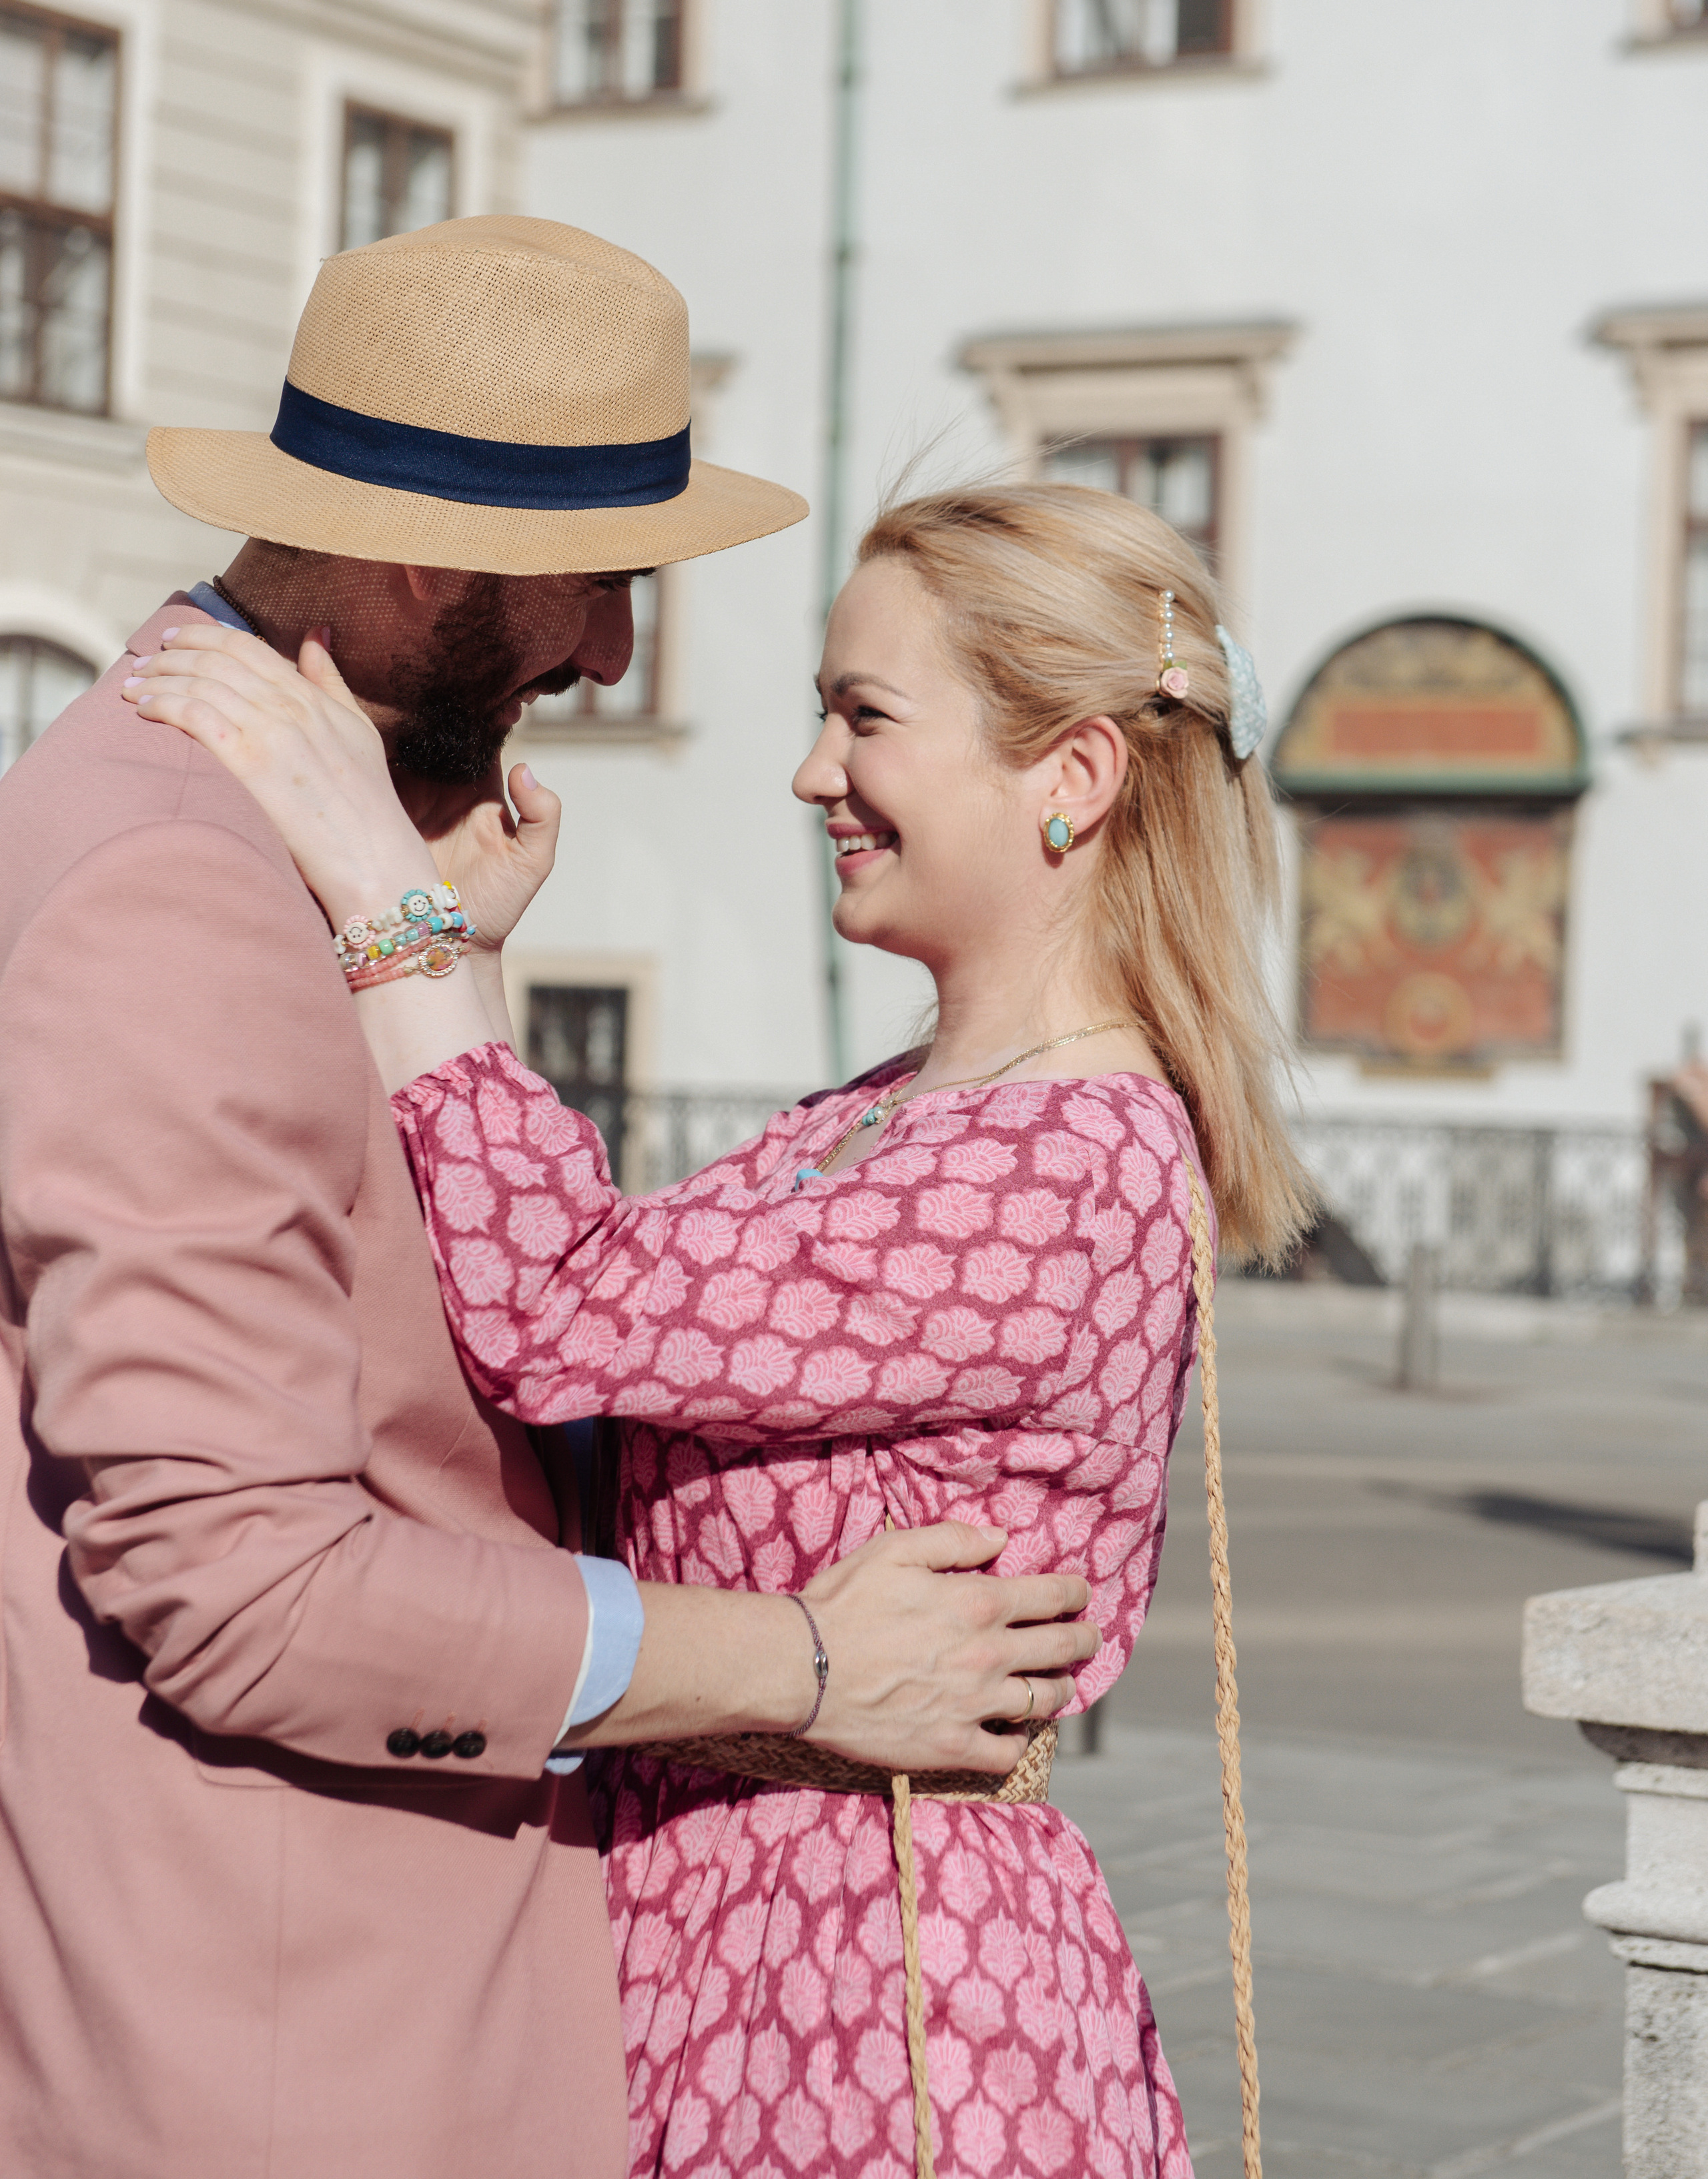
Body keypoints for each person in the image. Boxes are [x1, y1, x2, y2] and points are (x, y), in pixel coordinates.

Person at [0, 215, 1098, 2179]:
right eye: (602, 584)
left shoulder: (270, 841)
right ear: (436, 558)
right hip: (306, 2056)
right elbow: (248, 1586)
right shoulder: (179, 876)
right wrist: (814, 1664)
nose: (607, 649)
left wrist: (437, 966)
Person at [126, 474, 1310, 2179]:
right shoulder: (893, 1108)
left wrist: (391, 906)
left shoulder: (1071, 1155)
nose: (811, 772)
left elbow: (554, 1305)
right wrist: (459, 963)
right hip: (741, 1942)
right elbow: (586, 1370)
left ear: (1071, 779)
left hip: (891, 2008)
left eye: (864, 717)